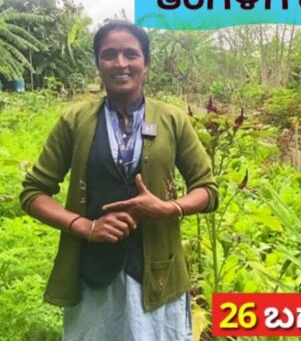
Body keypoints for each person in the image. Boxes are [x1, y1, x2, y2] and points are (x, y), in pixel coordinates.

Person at [19, 21, 218, 340]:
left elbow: (207, 190)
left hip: (158, 275)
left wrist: (169, 208)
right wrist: (86, 226)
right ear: (98, 63)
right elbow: (33, 193)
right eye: (109, 54)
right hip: (93, 276)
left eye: (131, 54)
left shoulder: (172, 120)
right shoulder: (75, 121)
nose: (120, 63)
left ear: (146, 63)